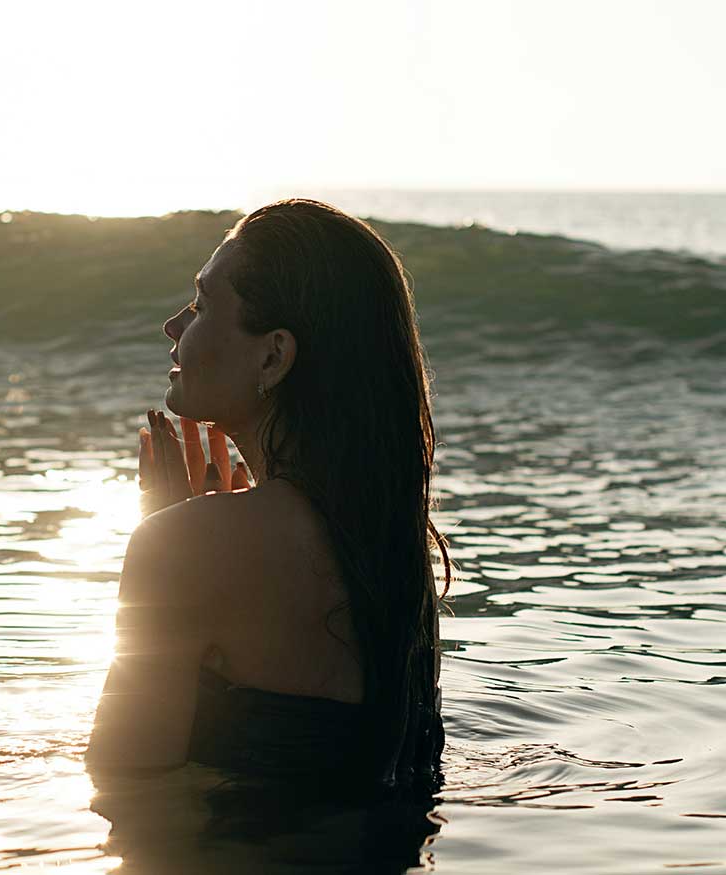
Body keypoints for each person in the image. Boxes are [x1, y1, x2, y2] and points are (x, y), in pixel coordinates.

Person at [85, 198, 451, 799]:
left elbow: (121, 782)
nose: (174, 327)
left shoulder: (192, 545)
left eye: (202, 306)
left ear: (273, 356)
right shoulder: (391, 547)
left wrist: (173, 536)